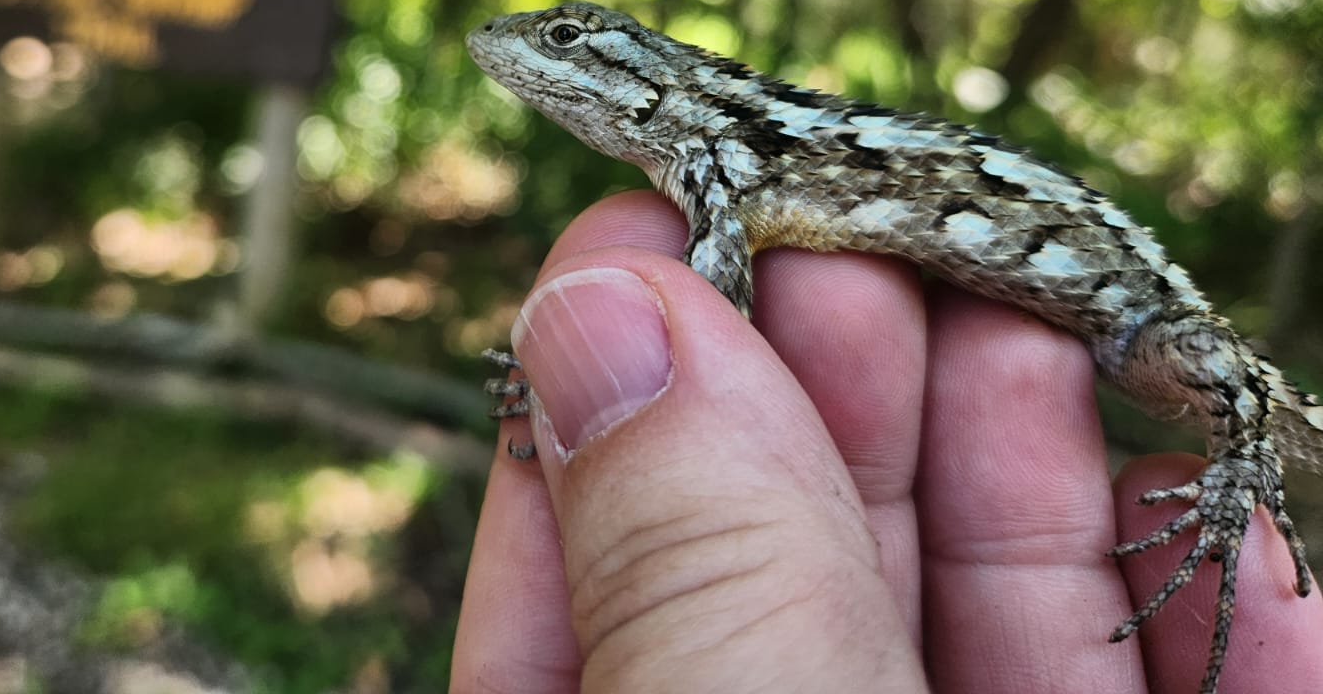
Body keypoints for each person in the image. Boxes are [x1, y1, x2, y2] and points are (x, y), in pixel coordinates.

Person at [451, 191, 1323, 692]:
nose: (531, 55)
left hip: (1136, 316)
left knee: (1211, 357)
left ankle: (1241, 474)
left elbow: (700, 316)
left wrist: (588, 361)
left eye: (566, 42)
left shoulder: (729, 159)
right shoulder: (725, 170)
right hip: (1109, 330)